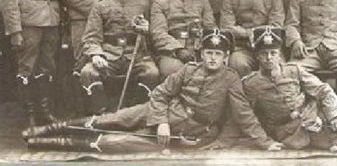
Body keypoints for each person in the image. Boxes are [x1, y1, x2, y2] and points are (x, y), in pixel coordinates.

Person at [23, 29, 283, 153]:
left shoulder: (231, 79)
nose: (212, 59)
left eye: (218, 54)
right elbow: (160, 94)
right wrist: (160, 121)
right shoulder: (188, 69)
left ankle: (49, 144)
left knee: (116, 142)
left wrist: (267, 142)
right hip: (162, 112)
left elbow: (244, 115)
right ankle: (43, 131)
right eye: (208, 53)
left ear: (226, 57)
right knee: (112, 119)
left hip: (191, 130)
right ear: (201, 53)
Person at [78, 0, 159, 115]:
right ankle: (101, 115)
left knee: (152, 73)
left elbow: (156, 34)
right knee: (88, 72)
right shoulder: (100, 6)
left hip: (137, 56)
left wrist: (146, 31)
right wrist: (96, 55)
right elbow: (91, 37)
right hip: (109, 54)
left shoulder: (144, 4)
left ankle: (135, 114)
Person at [150, 0, 216, 79]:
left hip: (198, 49)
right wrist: (178, 49)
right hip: (171, 52)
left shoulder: (202, 1)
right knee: (173, 71)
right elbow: (158, 33)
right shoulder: (160, 3)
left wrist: (203, 49)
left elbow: (210, 29)